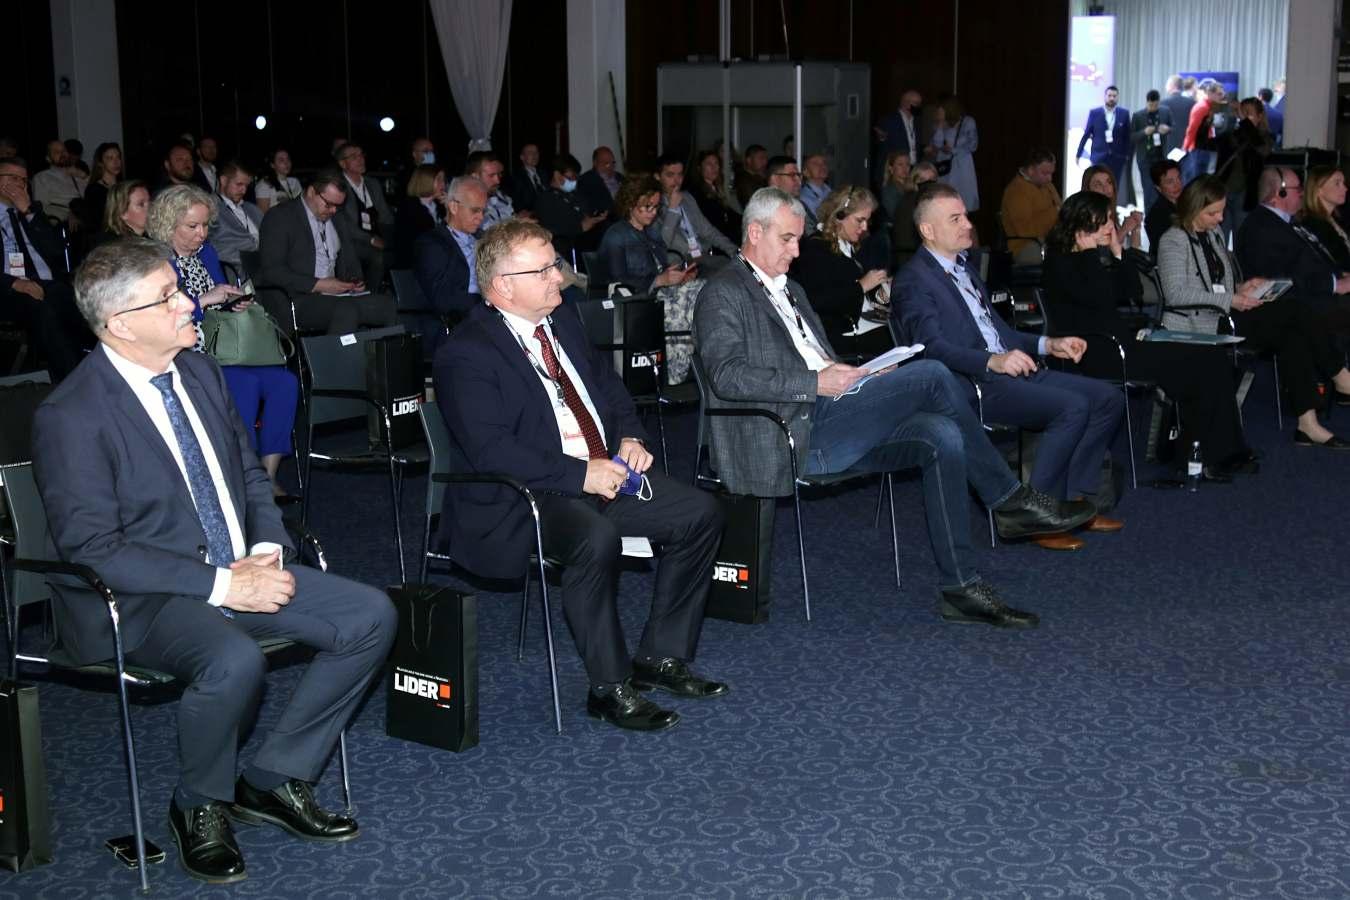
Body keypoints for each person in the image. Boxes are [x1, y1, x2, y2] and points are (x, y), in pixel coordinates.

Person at [31, 237, 396, 884]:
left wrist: (265, 549)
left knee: (369, 616)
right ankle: (197, 803)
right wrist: (225, 584)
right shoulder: (72, 415)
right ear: (120, 324)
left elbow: (251, 478)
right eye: (167, 296)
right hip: (141, 598)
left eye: (179, 289)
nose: (188, 304)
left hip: (237, 568)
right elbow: (96, 550)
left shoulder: (200, 373)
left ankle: (273, 777)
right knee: (233, 659)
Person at [696, 187, 1096, 627]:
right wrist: (816, 382)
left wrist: (861, 374)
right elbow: (726, 376)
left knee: (941, 434)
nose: (796, 251)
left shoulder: (790, 289)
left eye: (797, 240)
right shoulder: (723, 292)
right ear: (755, 232)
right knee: (933, 374)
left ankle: (962, 588)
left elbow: (818, 359)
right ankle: (1008, 500)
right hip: (790, 431)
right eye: (787, 239)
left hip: (830, 413)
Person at [434, 218, 729, 731]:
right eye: (544, 270)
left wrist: (631, 436)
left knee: (700, 512)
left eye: (555, 264)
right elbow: (491, 451)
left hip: (600, 471)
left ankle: (660, 656)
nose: (559, 277)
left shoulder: (562, 321)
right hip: (525, 493)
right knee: (595, 537)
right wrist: (580, 475)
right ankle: (609, 687)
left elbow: (608, 388)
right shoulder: (466, 352)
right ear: (503, 285)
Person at [895, 182, 1124, 551]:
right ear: (928, 230)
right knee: (1073, 407)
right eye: (955, 219)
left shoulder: (964, 268)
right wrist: (993, 360)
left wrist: (1049, 344)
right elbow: (930, 348)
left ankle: (1078, 502)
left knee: (1108, 398)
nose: (968, 225)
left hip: (1007, 372)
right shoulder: (914, 280)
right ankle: (1036, 515)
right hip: (973, 382)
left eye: (965, 216)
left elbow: (999, 332)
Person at [1042, 191, 1253, 477]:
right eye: (1103, 221)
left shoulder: (1094, 258)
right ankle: (1204, 456)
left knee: (1210, 356)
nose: (1110, 226)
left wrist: (1119, 253)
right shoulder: (1060, 262)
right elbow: (1099, 299)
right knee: (1198, 364)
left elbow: (1133, 291)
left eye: (1110, 219)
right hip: (1097, 352)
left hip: (1123, 344)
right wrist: (1092, 254)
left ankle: (1220, 451)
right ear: (1081, 225)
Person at [1160, 175, 1350, 449]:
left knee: (1293, 334)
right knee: (1294, 311)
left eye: (1222, 211)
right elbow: (1176, 295)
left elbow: (1217, 283)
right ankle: (1340, 375)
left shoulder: (1212, 234)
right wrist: (1231, 299)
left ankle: (1308, 423)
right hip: (1199, 325)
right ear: (1192, 208)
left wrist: (1243, 287)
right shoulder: (1173, 241)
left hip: (1225, 315)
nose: (1220, 218)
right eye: (1213, 213)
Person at [148, 184, 299, 498]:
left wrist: (232, 300)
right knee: (244, 384)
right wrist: (205, 300)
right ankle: (244, 475)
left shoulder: (206, 252)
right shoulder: (155, 261)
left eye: (205, 225)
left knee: (285, 382)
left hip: (224, 345)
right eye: (192, 226)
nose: (202, 234)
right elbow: (160, 315)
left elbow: (219, 295)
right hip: (185, 350)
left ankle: (267, 475)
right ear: (168, 224)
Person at [254, 168, 398, 335]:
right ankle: (336, 353)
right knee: (346, 310)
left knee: (387, 305)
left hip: (335, 296)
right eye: (328, 204)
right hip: (296, 298)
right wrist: (318, 284)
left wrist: (354, 282)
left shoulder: (337, 218)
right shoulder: (280, 217)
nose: (333, 210)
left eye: (338, 205)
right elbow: (272, 271)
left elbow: (350, 258)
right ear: (311, 192)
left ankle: (375, 352)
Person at [598, 174, 701, 383]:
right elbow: (615, 281)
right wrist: (659, 281)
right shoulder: (616, 235)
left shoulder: (652, 233)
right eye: (647, 207)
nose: (653, 213)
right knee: (684, 302)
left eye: (655, 207)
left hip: (660, 292)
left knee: (702, 289)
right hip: (636, 298)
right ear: (631, 204)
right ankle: (675, 370)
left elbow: (659, 270)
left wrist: (679, 277)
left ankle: (686, 364)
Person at [0, 156, 93, 380]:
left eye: (23, 180)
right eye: (12, 178)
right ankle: (73, 380)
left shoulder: (33, 213)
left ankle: (101, 366)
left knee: (83, 300)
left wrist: (28, 212)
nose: (19, 184)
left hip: (50, 285)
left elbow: (56, 251)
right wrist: (16, 283)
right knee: (44, 306)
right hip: (9, 290)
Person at [1236, 166, 1350, 333]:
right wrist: (1334, 284)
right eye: (1297, 189)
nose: (1302, 193)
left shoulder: (1285, 223)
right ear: (1280, 193)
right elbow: (1280, 278)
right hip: (1286, 312)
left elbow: (1310, 263)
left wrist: (1340, 276)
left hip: (1306, 302)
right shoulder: (1262, 228)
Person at [788, 185, 893, 358]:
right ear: (839, 216)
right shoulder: (816, 249)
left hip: (855, 325)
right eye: (859, 220)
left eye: (867, 221)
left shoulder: (846, 246)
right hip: (835, 336)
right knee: (892, 337)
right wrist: (862, 286)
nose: (864, 227)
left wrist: (882, 291)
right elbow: (818, 302)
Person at [414, 175, 486, 323]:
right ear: (454, 207)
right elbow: (442, 299)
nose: (481, 217)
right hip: (463, 319)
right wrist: (488, 302)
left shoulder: (484, 239)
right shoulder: (432, 243)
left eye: (483, 211)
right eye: (475, 210)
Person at [654, 153, 736, 273]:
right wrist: (672, 210)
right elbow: (662, 243)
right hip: (680, 261)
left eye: (680, 175)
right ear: (657, 177)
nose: (676, 180)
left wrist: (734, 250)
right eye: (670, 175)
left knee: (734, 266)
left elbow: (708, 231)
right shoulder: (654, 204)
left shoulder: (687, 197)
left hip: (701, 255)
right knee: (725, 271)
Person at [334, 142, 393, 289]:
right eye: (354, 157)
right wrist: (371, 239)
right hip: (352, 240)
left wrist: (390, 236)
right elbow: (343, 224)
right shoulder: (338, 186)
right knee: (378, 256)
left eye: (361, 155)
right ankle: (371, 295)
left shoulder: (372, 184)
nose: (360, 159)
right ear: (342, 164)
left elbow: (385, 215)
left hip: (376, 234)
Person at [534, 154, 609, 260]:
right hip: (564, 252)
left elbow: (585, 211)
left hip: (585, 246)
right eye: (571, 177)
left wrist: (595, 217)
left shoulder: (575, 194)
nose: (574, 181)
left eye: (576, 177)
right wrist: (580, 227)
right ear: (557, 175)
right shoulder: (546, 199)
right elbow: (551, 230)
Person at [1000, 149, 1061, 265]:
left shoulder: (1047, 185)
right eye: (1045, 173)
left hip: (1047, 240)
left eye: (1051, 173)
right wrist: (1054, 213)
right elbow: (1025, 230)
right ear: (1031, 170)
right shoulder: (1016, 191)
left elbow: (1060, 210)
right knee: (1061, 258)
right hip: (1024, 246)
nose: (1050, 178)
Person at [927, 96, 980, 218]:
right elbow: (937, 143)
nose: (938, 112)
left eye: (941, 109)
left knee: (962, 199)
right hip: (944, 165)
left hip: (961, 165)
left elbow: (973, 145)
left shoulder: (967, 122)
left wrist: (953, 150)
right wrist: (940, 125)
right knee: (944, 200)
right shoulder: (941, 123)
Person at [208, 161, 263, 272]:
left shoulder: (252, 208)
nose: (244, 190)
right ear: (223, 181)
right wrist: (255, 258)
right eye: (239, 184)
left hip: (269, 265)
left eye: (246, 186)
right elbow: (208, 248)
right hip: (242, 271)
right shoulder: (209, 208)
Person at [1076, 86, 1132, 188]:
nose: (1112, 98)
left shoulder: (1124, 114)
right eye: (1109, 95)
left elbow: (1128, 137)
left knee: (1114, 186)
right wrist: (1078, 154)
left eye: (1114, 96)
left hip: (1117, 158)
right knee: (1097, 185)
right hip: (1098, 157)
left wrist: (1127, 156)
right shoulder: (1094, 113)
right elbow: (1086, 135)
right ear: (1105, 96)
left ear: (1118, 97)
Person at [394, 164, 445, 270]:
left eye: (443, 180)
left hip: (435, 257)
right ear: (426, 181)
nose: (443, 184)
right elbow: (425, 238)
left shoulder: (440, 207)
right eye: (439, 180)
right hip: (415, 262)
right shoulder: (409, 208)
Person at [1300, 165, 1350, 271]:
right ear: (1319, 190)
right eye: (1337, 183)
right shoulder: (1313, 224)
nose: (1345, 188)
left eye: (1343, 183)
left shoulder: (1337, 219)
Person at [1130, 91, 1174, 212]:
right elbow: (1132, 137)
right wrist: (1144, 132)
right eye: (1150, 105)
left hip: (1161, 157)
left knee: (1162, 187)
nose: (1153, 107)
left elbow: (1173, 127)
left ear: (1158, 102)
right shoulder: (1138, 115)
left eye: (1155, 105)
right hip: (1145, 158)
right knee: (1148, 188)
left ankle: (1161, 213)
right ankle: (1149, 215)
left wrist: (1168, 129)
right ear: (1147, 102)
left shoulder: (1166, 112)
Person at [31, 139, 88, 230]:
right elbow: (41, 206)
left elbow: (92, 198)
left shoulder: (78, 175)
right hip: (63, 223)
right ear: (48, 158)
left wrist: (83, 175)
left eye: (64, 151)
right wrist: (67, 214)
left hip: (84, 217)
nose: (62, 154)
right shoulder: (42, 177)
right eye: (56, 152)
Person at [1082, 165, 1141, 251]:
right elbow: (1102, 256)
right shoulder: (1086, 222)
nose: (1105, 188)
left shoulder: (1113, 220)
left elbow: (1134, 253)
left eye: (1109, 182)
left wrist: (1136, 229)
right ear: (1087, 190)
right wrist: (1123, 231)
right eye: (1098, 185)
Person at [688, 149, 741, 243]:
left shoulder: (717, 188)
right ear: (699, 168)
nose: (714, 167)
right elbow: (712, 220)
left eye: (716, 163)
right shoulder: (697, 192)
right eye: (709, 164)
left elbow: (729, 213)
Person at [891, 161, 937, 269]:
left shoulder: (930, 201)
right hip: (912, 260)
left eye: (932, 180)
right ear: (914, 182)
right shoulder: (909, 202)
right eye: (922, 180)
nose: (927, 184)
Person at [466, 150, 523, 229]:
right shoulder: (466, 205)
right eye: (491, 175)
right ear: (475, 177)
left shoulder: (500, 196)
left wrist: (518, 219)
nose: (498, 181)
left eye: (499, 174)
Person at [1182, 80, 1225, 183]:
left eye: (1222, 94)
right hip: (1198, 149)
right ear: (1210, 93)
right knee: (1195, 180)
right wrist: (1186, 147)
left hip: (1206, 148)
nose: (1222, 97)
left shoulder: (1210, 107)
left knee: (1202, 179)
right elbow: (1192, 129)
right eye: (1219, 94)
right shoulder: (1202, 107)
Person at [82, 142, 124, 241]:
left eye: (118, 157)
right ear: (100, 163)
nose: (116, 162)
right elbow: (96, 223)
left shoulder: (124, 186)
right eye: (110, 158)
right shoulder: (94, 190)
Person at [874, 89, 923, 166]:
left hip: (913, 167)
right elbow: (880, 146)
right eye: (916, 103)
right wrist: (881, 138)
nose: (919, 106)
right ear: (905, 103)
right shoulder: (889, 120)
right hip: (896, 168)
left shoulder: (917, 121)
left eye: (920, 103)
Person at [94, 179, 151, 246]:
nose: (151, 207)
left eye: (150, 201)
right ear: (122, 212)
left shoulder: (151, 238)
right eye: (141, 204)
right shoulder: (113, 247)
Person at [765, 156, 815, 231]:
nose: (798, 180)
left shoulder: (799, 204)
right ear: (775, 179)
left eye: (799, 175)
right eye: (792, 175)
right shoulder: (765, 208)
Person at [1144, 160, 1183, 251]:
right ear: (1158, 188)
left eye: (1179, 178)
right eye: (1170, 182)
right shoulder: (1156, 216)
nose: (1177, 185)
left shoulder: (1189, 202)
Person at [577, 146, 621, 216]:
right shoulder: (586, 181)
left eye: (613, 162)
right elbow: (587, 209)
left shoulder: (620, 177)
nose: (610, 166)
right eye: (606, 163)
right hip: (604, 219)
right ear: (595, 163)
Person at [254, 148, 302, 213]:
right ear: (272, 165)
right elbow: (263, 215)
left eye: (288, 159)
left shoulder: (294, 181)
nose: (286, 163)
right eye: (281, 160)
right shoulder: (264, 185)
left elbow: (300, 205)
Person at [1161, 76, 1195, 156]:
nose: (1165, 87)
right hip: (1186, 147)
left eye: (1167, 84)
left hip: (1168, 147)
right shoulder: (1192, 103)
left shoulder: (1162, 104)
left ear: (1172, 86)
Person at [511, 143, 547, 212]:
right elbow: (517, 202)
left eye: (536, 152)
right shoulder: (516, 177)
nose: (534, 155)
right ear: (522, 157)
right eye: (530, 152)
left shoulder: (544, 173)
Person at [800, 154, 832, 218]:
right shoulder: (804, 198)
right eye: (815, 163)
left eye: (824, 162)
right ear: (805, 172)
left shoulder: (829, 190)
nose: (822, 166)